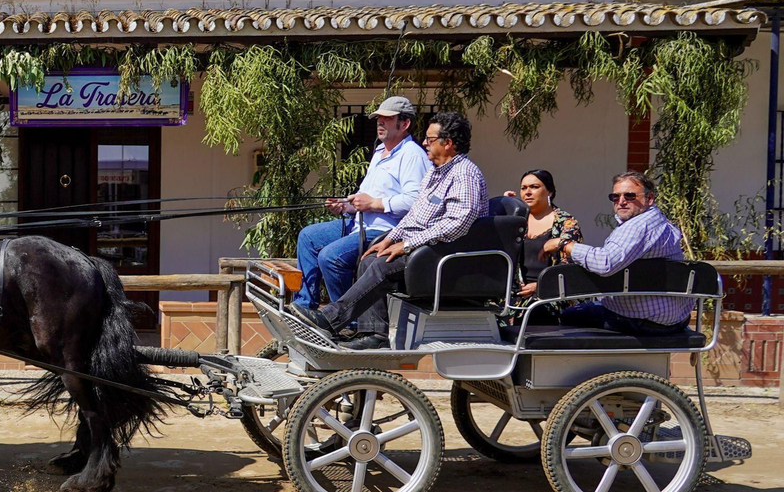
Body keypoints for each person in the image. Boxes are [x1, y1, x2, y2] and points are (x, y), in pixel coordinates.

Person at [291, 112, 488, 349]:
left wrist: (406, 244)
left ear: (448, 143)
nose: (424, 143)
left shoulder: (464, 173)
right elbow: (416, 214)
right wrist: (390, 238)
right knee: (370, 259)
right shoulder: (436, 173)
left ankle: (332, 319)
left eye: (430, 139)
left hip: (443, 252)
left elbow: (458, 222)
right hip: (423, 245)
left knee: (382, 266)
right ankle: (373, 334)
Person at [293, 96, 430, 311]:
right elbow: (366, 197)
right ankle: (304, 307)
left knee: (331, 257)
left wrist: (374, 204)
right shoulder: (378, 152)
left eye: (387, 119)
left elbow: (415, 201)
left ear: (404, 124)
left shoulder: (412, 155)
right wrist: (347, 206)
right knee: (308, 237)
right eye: (378, 119)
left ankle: (349, 320)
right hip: (359, 224)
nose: (380, 123)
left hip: (384, 231)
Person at [554, 171, 692, 335]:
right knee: (594, 305)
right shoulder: (661, 221)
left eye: (630, 196)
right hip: (678, 319)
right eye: (615, 197)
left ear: (649, 199)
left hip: (644, 320)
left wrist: (565, 244)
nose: (621, 202)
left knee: (569, 315)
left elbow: (605, 263)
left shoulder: (637, 226)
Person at [500, 169, 581, 325]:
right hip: (515, 292)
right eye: (523, 188)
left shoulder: (566, 222)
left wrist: (540, 285)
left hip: (550, 293)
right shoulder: (516, 220)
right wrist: (505, 209)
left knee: (533, 313)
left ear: (549, 191)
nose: (528, 192)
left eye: (534, 187)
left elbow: (570, 265)